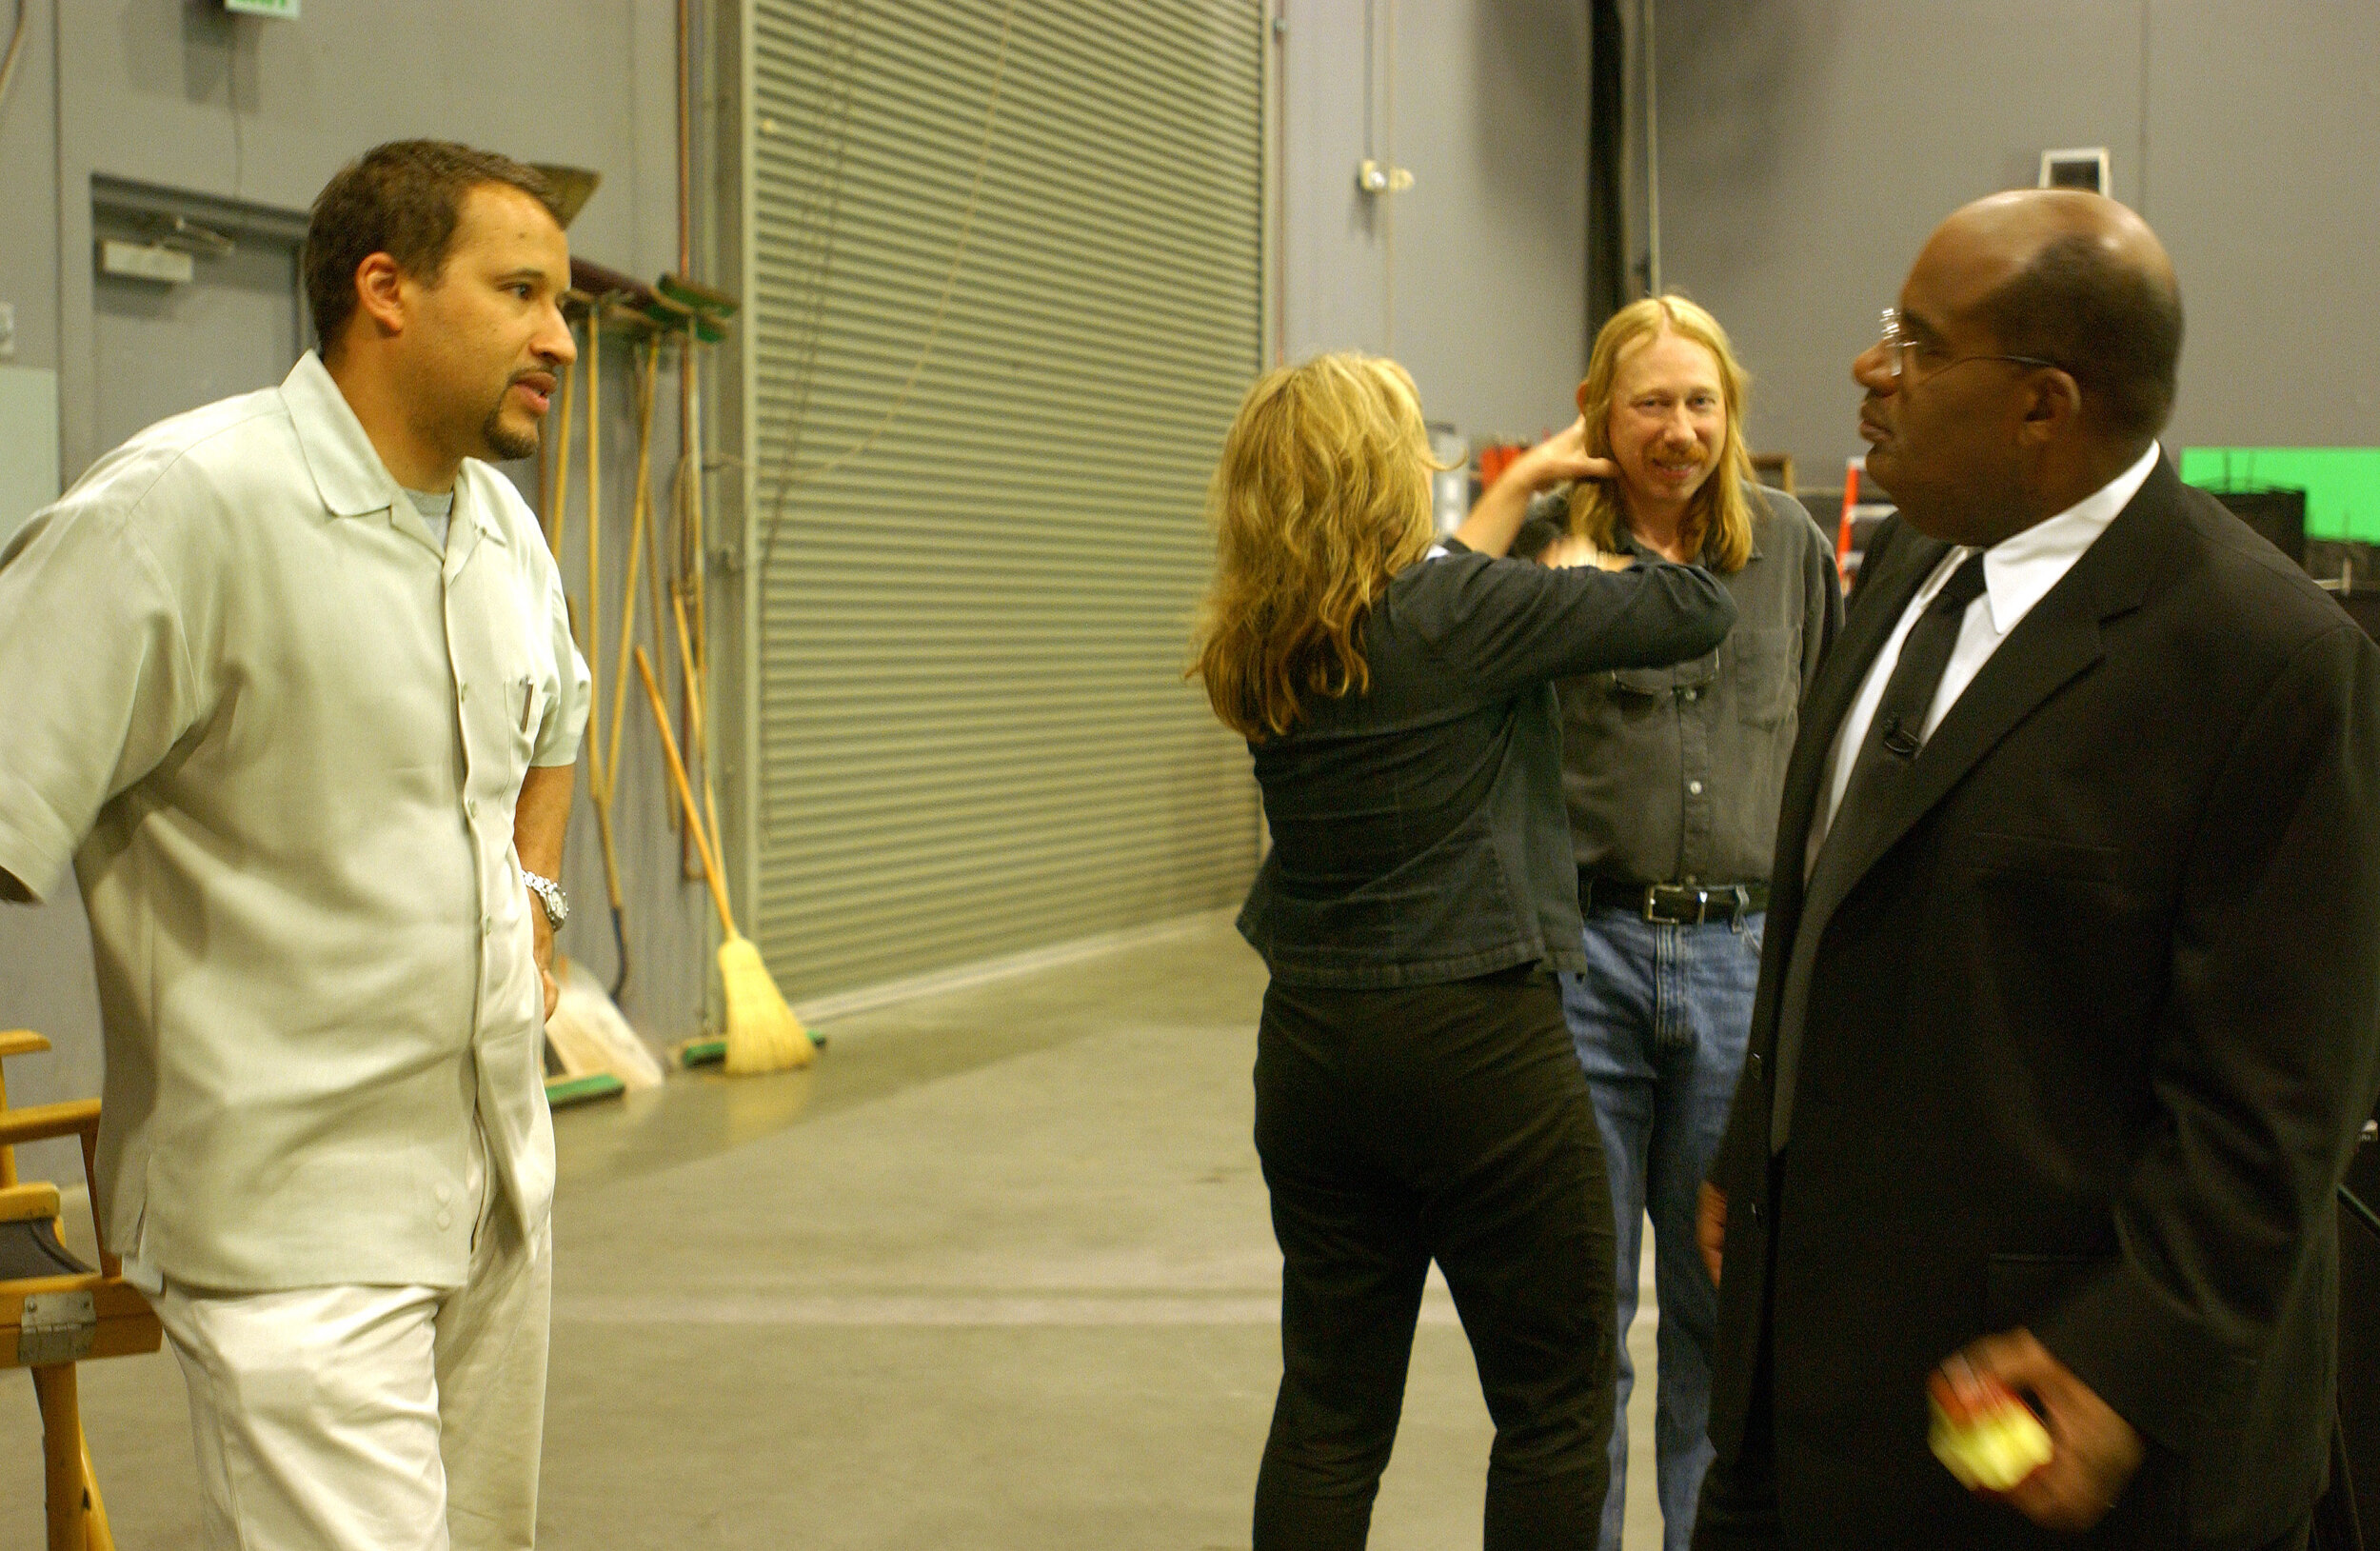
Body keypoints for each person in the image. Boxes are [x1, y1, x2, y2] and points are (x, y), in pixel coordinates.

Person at [1692, 189, 2380, 1550]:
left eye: (1919, 342)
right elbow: (1836, 892)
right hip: (1801, 1402)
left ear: (2043, 406)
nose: (1869, 370)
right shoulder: (1908, 563)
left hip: (2045, 1435)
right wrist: (1751, 1141)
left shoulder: (2269, 664)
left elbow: (2283, 1094)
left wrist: (2123, 1358)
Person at [0, 141, 588, 1550]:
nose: (559, 340)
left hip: (494, 1191)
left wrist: (536, 905)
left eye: (562, 304)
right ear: (385, 290)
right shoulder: (183, 508)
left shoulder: (496, 523)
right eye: (521, 293)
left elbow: (555, 713)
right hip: (288, 1223)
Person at [1195, 351, 1739, 1549]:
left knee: (1330, 1409)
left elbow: (1421, 602)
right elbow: (1695, 610)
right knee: (1552, 1403)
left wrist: (1514, 506)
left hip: (1312, 1051)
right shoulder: (1458, 609)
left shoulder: (1259, 635)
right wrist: (1596, 557)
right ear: (1385, 473)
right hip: (1474, 1045)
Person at [1543, 296, 1839, 1551]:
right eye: (1651, 403)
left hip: (1739, 962)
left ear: (1733, 412)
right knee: (1581, 1314)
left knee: (1726, 1310)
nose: (1679, 430)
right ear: (1600, 415)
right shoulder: (1548, 558)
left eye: (1701, 402)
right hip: (1585, 966)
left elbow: (1830, 747)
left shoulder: (1785, 547)